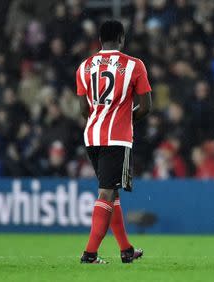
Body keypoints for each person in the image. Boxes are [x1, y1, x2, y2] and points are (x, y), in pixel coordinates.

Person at [76, 20, 152, 264]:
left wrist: (101, 117)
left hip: (92, 137)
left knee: (112, 192)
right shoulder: (134, 65)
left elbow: (83, 108)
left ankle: (126, 250)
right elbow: (146, 107)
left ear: (100, 40)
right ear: (121, 38)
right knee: (106, 193)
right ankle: (90, 254)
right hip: (116, 138)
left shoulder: (84, 67)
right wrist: (124, 117)